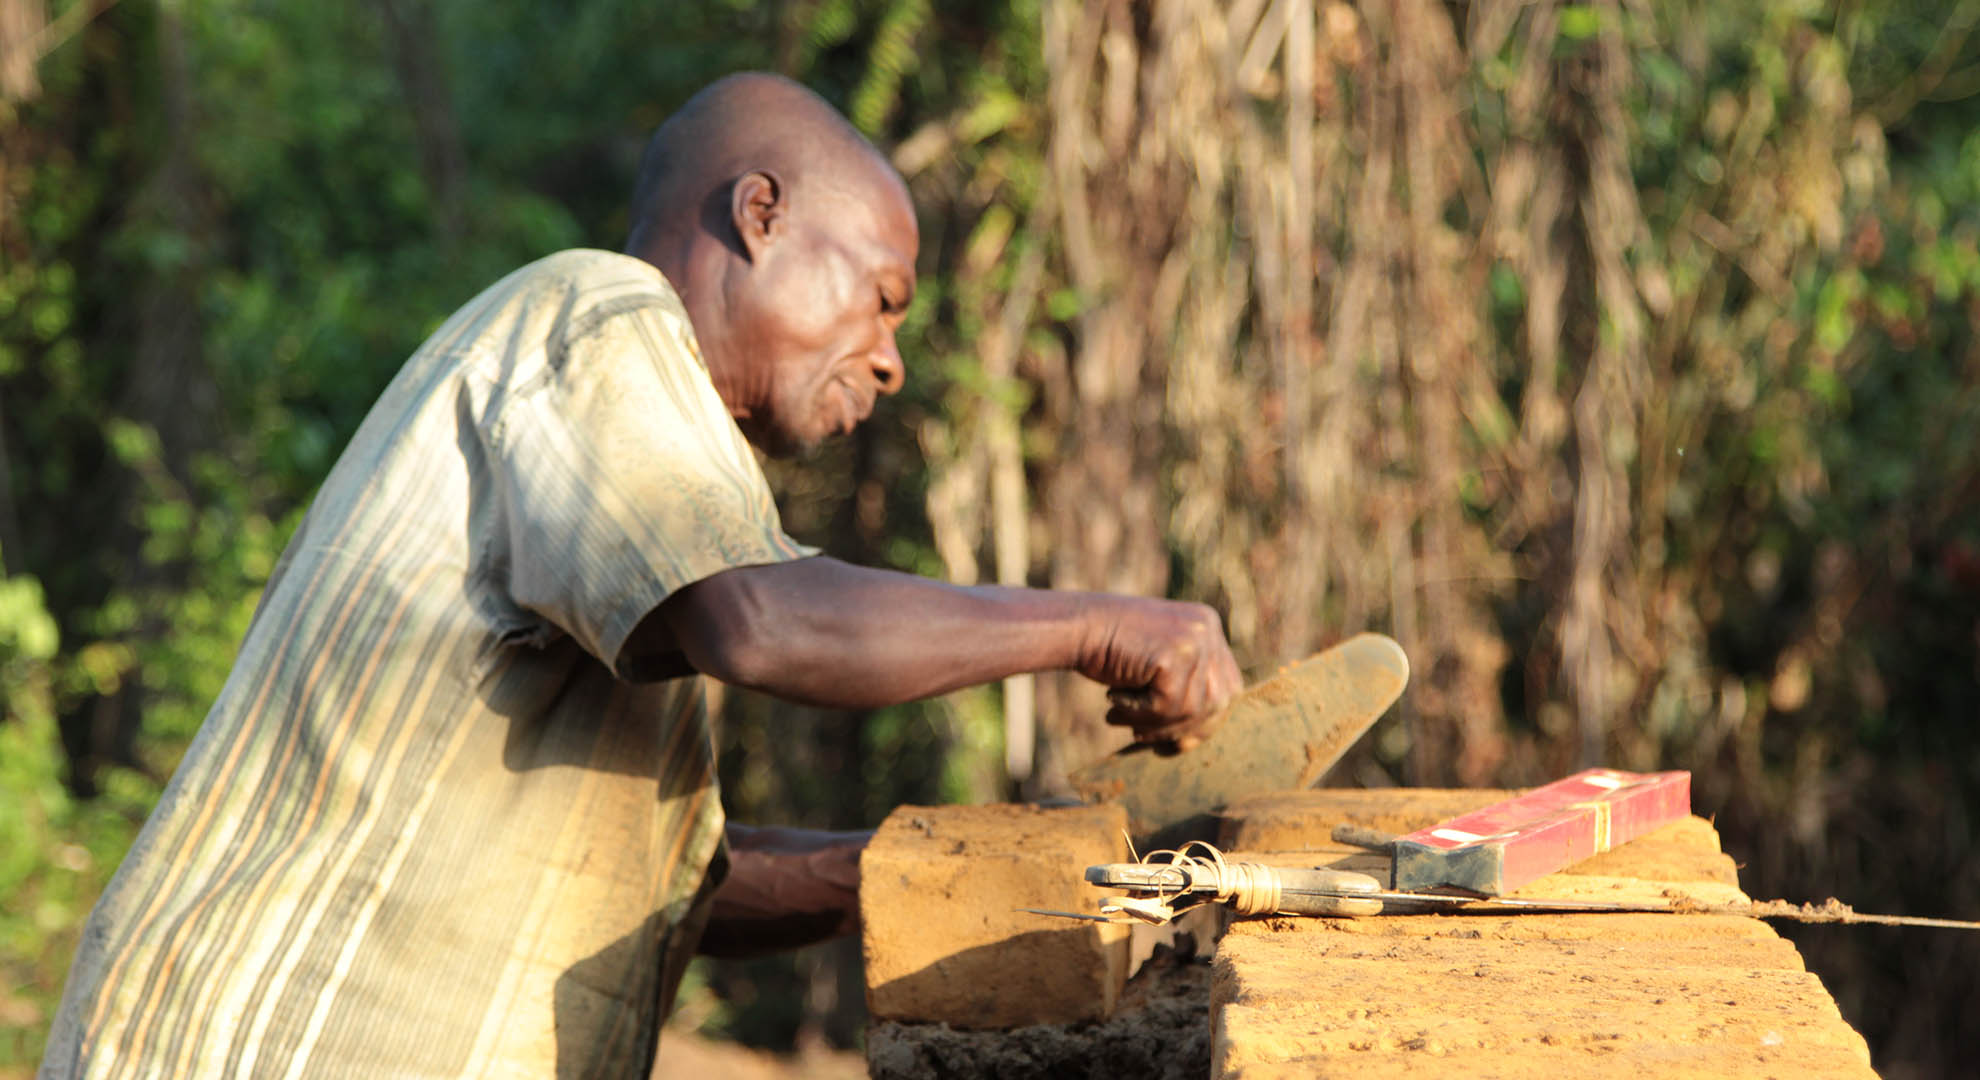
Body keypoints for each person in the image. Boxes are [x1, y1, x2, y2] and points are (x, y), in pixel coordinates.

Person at [39, 72, 1241, 1079]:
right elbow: (764, 624)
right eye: (883, 301)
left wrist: (958, 856)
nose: (889, 360)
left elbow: (678, 887)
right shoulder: (596, 319)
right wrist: (1102, 627)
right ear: (760, 213)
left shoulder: (644, 499)